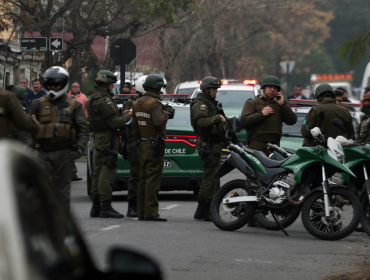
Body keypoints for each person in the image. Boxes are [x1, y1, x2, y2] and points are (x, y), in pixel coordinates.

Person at [27, 66, 88, 208]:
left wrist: (79, 148)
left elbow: (83, 129)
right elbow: (28, 128)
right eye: (50, 84)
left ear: (64, 83)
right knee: (41, 190)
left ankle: (61, 226)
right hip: (42, 153)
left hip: (64, 153)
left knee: (62, 193)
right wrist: (30, 146)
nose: (53, 87)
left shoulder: (75, 106)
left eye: (56, 84)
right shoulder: (37, 104)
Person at [87, 70, 132, 218]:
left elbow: (106, 118)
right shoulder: (104, 100)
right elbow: (113, 122)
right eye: (112, 84)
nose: (113, 87)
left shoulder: (93, 97)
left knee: (98, 172)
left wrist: (120, 115)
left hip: (99, 137)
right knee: (107, 172)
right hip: (107, 138)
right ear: (106, 84)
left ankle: (96, 207)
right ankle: (105, 206)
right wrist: (128, 117)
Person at [131, 74, 175, 222]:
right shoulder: (154, 103)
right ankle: (151, 212)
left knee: (143, 179)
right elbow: (158, 122)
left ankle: (142, 212)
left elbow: (134, 126)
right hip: (155, 144)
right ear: (157, 87)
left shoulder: (137, 102)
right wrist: (166, 114)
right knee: (153, 180)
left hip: (142, 143)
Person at [190, 76, 229, 221]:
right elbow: (201, 122)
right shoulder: (201, 104)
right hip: (208, 144)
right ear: (206, 89)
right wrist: (218, 118)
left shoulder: (211, 104)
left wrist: (229, 142)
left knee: (213, 178)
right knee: (210, 178)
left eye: (216, 89)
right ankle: (203, 210)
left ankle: (206, 209)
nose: (216, 91)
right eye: (213, 89)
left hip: (214, 143)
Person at [241, 75, 297, 155]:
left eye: (275, 88)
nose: (272, 90)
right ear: (263, 89)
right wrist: (261, 114)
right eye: (270, 87)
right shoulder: (252, 103)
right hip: (257, 146)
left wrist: (283, 105)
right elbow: (244, 121)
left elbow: (292, 121)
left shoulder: (280, 105)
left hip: (275, 147)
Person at [69, 82, 88, 181]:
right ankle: (72, 173)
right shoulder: (67, 98)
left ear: (79, 88)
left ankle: (72, 173)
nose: (75, 88)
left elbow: (86, 110)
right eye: (73, 86)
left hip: (80, 124)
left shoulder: (84, 97)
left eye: (76, 86)